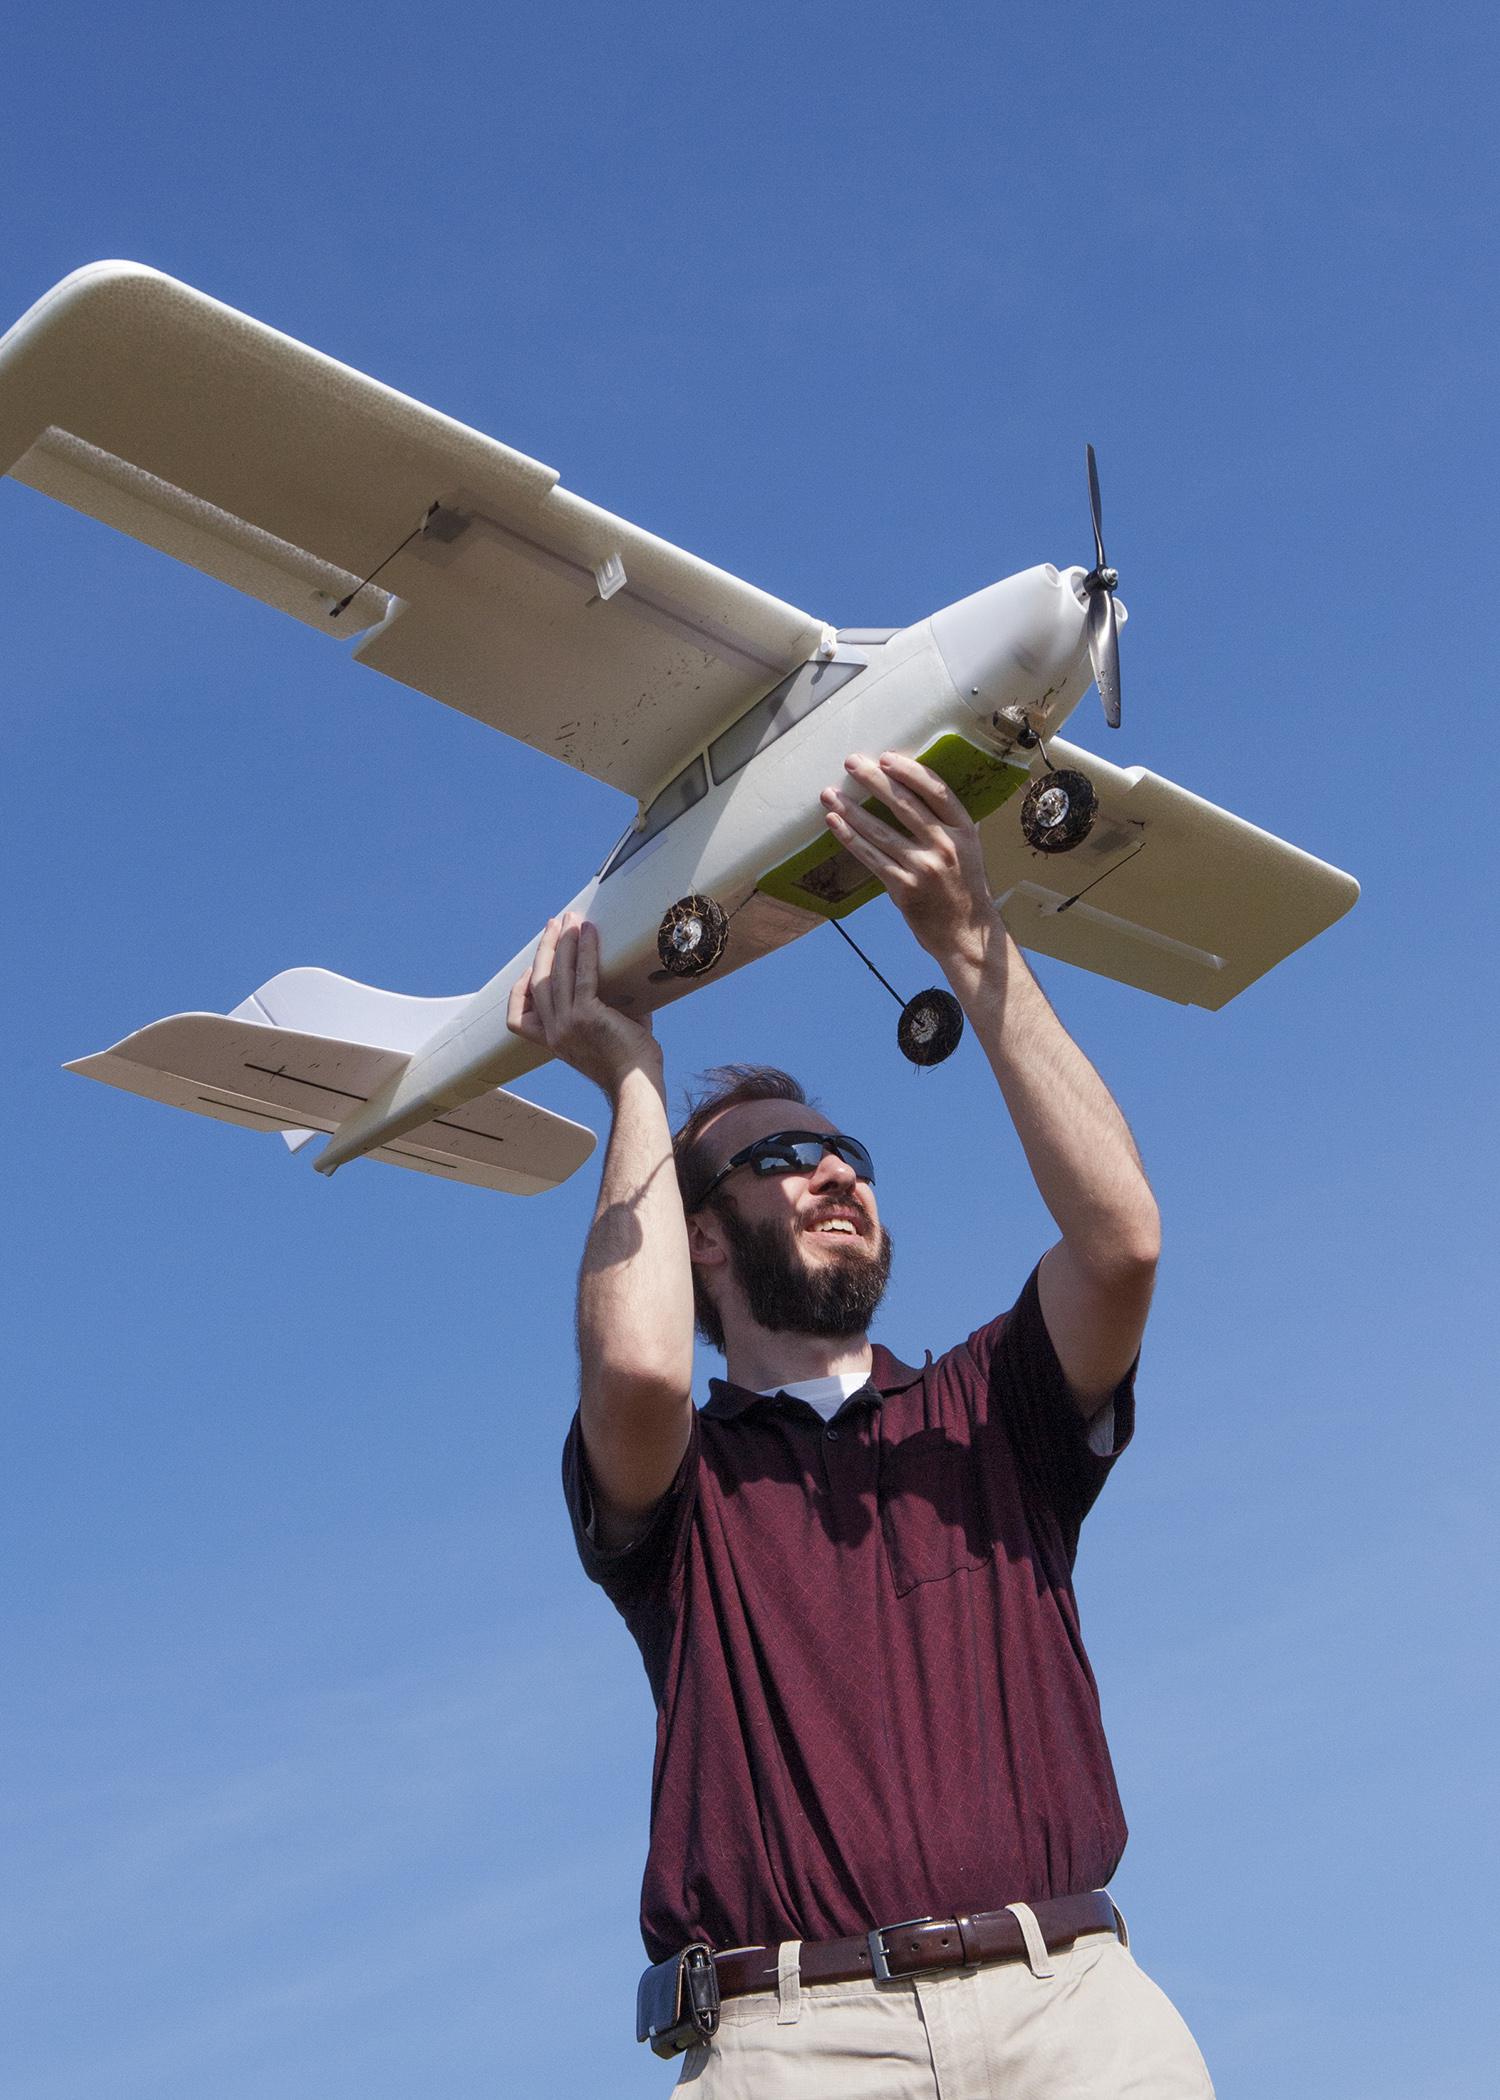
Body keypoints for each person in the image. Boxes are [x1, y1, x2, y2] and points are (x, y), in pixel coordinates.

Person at [507, 748, 1215, 2097]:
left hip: (1070, 2010)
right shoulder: (686, 1491)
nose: (834, 1167)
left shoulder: (989, 1410)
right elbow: (644, 1376)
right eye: (780, 1160)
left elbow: (1121, 1242)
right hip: (792, 2037)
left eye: (850, 1157)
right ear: (703, 1242)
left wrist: (971, 942)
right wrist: (635, 1082)